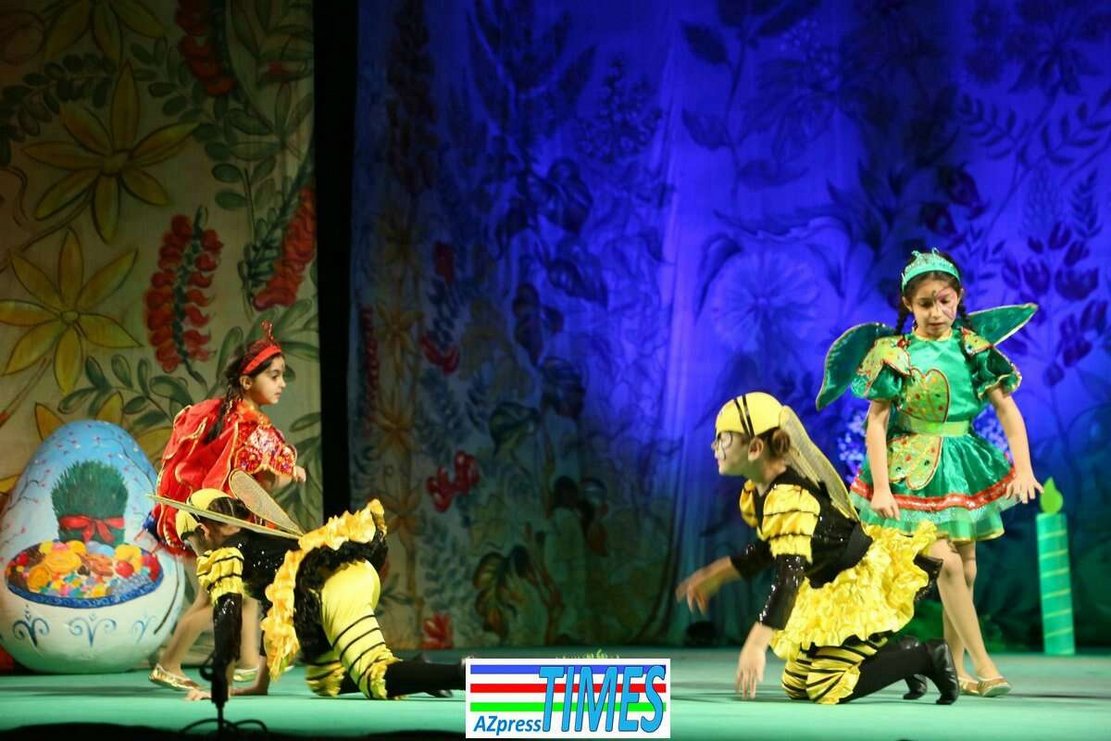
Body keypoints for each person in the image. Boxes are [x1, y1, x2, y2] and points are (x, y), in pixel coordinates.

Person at [816, 249, 1042, 697]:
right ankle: (985, 665)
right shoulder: (895, 353)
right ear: (908, 305)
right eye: (925, 304)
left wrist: (1024, 468)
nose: (936, 312)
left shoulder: (973, 349)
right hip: (911, 472)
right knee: (948, 565)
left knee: (967, 571)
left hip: (961, 467)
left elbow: (1007, 410)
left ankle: (953, 669)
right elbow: (876, 423)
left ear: (958, 298)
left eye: (944, 301)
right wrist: (882, 488)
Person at [676, 392, 959, 705]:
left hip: (857, 586)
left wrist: (756, 644)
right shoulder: (762, 491)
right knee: (796, 684)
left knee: (826, 686)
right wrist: (714, 575)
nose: (715, 447)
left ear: (755, 448)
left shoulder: (789, 496)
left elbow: (788, 576)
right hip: (827, 587)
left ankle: (927, 656)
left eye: (724, 439)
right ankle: (902, 652)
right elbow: (768, 549)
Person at [163, 484, 464, 704]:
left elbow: (227, 615)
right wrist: (259, 685)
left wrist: (221, 686)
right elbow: (273, 615)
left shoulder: (226, 554)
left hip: (338, 584)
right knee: (327, 680)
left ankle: (468, 675)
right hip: (343, 581)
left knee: (374, 673)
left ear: (202, 531)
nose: (193, 551)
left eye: (189, 542)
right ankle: (421, 672)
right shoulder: (252, 544)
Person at [144, 321, 306, 691]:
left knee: (245, 591)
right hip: (218, 523)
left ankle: (248, 664)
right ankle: (169, 664)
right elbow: (247, 482)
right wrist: (286, 475)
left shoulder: (244, 421)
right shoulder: (240, 424)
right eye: (274, 376)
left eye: (283, 376)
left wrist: (284, 473)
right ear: (247, 381)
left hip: (226, 521)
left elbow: (253, 481)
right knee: (214, 598)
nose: (282, 383)